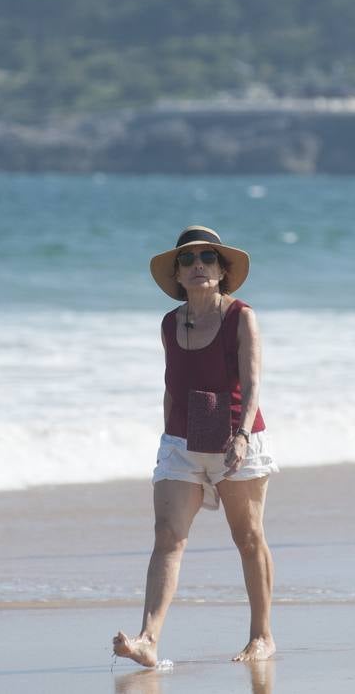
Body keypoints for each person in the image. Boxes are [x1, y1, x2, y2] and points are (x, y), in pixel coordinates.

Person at [113, 225, 278, 666]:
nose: (198, 264)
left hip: (236, 439)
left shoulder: (241, 315)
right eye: (187, 259)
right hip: (181, 441)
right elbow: (172, 385)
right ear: (178, 276)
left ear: (223, 270)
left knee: (247, 537)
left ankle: (262, 636)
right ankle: (148, 639)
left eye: (208, 257)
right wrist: (168, 437)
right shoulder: (170, 323)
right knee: (167, 537)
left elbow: (254, 381)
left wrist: (242, 435)